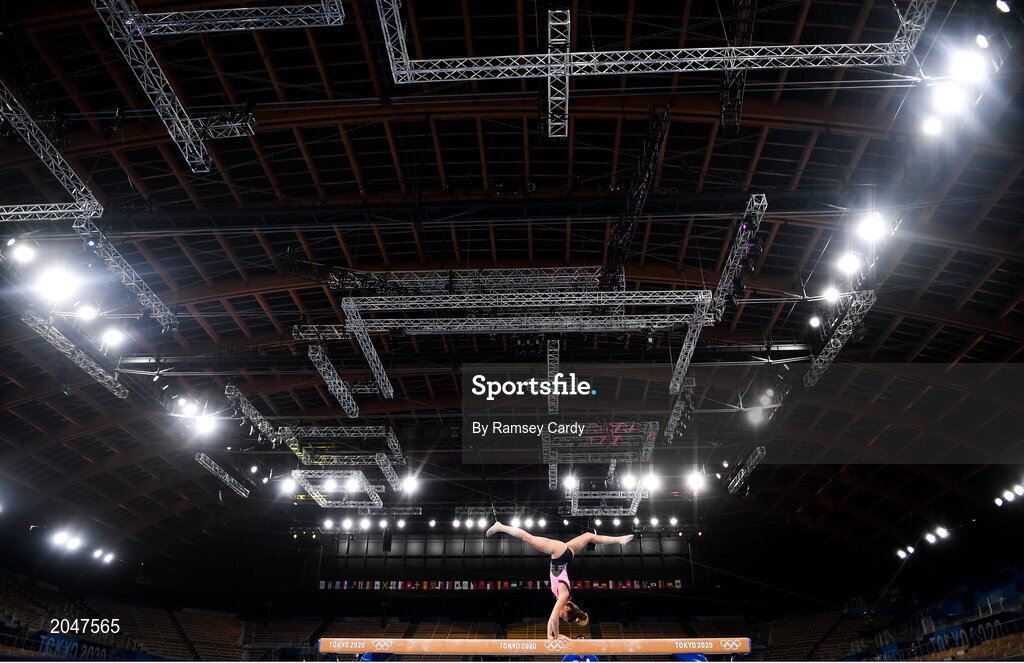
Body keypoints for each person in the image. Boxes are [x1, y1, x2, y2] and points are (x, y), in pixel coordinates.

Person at [485, 521, 633, 640]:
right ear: (567, 608)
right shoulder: (564, 595)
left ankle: (619, 540)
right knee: (528, 538)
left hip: (567, 554)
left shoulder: (564, 596)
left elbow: (552, 618)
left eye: (562, 617)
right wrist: (557, 636)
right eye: (564, 615)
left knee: (589, 536)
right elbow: (554, 618)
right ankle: (500, 526)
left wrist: (549, 635)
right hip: (559, 554)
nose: (561, 615)